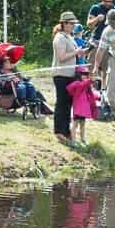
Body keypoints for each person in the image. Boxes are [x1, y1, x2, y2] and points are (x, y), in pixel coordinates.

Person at [48, 13, 81, 146]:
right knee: (61, 103)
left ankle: (66, 131)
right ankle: (59, 131)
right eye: (72, 23)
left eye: (74, 23)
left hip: (70, 74)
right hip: (61, 75)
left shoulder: (70, 37)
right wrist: (76, 52)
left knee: (68, 104)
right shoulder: (60, 38)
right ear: (65, 24)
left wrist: (81, 52)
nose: (74, 26)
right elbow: (61, 57)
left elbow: (72, 54)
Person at [66, 65, 98, 144]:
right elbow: (79, 86)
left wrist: (97, 97)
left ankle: (83, 139)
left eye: (86, 74)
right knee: (75, 124)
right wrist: (90, 80)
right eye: (83, 74)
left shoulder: (86, 85)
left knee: (83, 124)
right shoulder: (77, 83)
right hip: (78, 108)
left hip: (84, 109)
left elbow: (90, 94)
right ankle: (73, 140)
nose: (84, 76)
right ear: (78, 75)